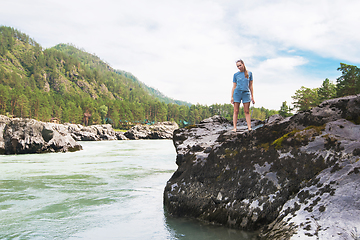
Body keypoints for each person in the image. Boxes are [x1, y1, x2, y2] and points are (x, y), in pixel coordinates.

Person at [231, 59, 255, 131]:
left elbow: (251, 86)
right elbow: (234, 86)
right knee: (236, 111)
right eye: (237, 66)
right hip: (237, 93)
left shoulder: (249, 73)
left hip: (246, 93)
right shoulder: (235, 75)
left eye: (240, 65)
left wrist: (252, 96)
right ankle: (234, 128)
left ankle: (249, 127)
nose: (239, 67)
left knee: (247, 111)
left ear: (243, 64)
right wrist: (232, 96)